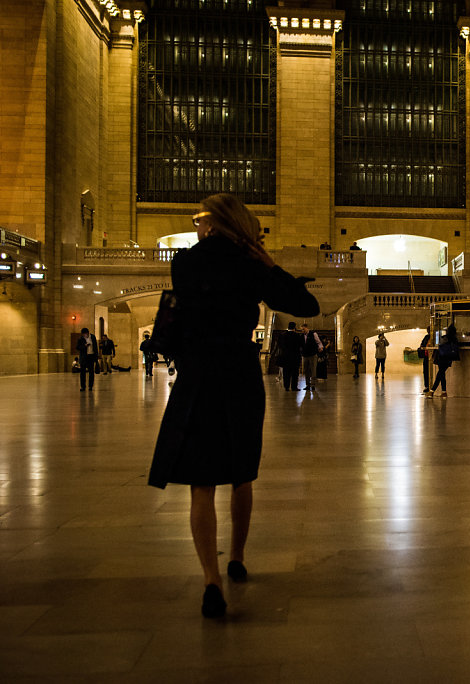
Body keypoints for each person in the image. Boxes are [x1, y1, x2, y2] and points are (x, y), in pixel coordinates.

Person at [147, 193, 319, 619]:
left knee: (200, 485)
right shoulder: (249, 264)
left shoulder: (184, 263)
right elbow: (306, 306)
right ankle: (237, 557)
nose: (195, 225)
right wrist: (267, 263)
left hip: (198, 374)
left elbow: (185, 315)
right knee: (242, 473)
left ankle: (211, 579)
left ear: (212, 222)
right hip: (239, 373)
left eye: (198, 218)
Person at [427, 333, 456, 398]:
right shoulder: (452, 339)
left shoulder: (444, 338)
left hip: (442, 358)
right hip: (446, 359)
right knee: (441, 374)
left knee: (440, 374)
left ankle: (432, 391)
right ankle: (443, 392)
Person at [278, 322, 302, 391]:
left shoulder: (282, 335)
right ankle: (294, 387)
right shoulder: (297, 336)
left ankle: (286, 386)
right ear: (294, 327)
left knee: (286, 372)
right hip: (295, 357)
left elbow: (279, 345)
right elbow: (300, 346)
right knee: (295, 373)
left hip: (285, 357)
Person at [299, 323, 322, 391]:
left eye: (303, 329)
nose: (302, 331)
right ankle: (307, 385)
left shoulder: (313, 334)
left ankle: (313, 384)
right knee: (306, 370)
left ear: (306, 328)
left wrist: (321, 347)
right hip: (305, 355)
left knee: (313, 370)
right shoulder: (301, 336)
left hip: (313, 355)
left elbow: (318, 342)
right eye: (301, 330)